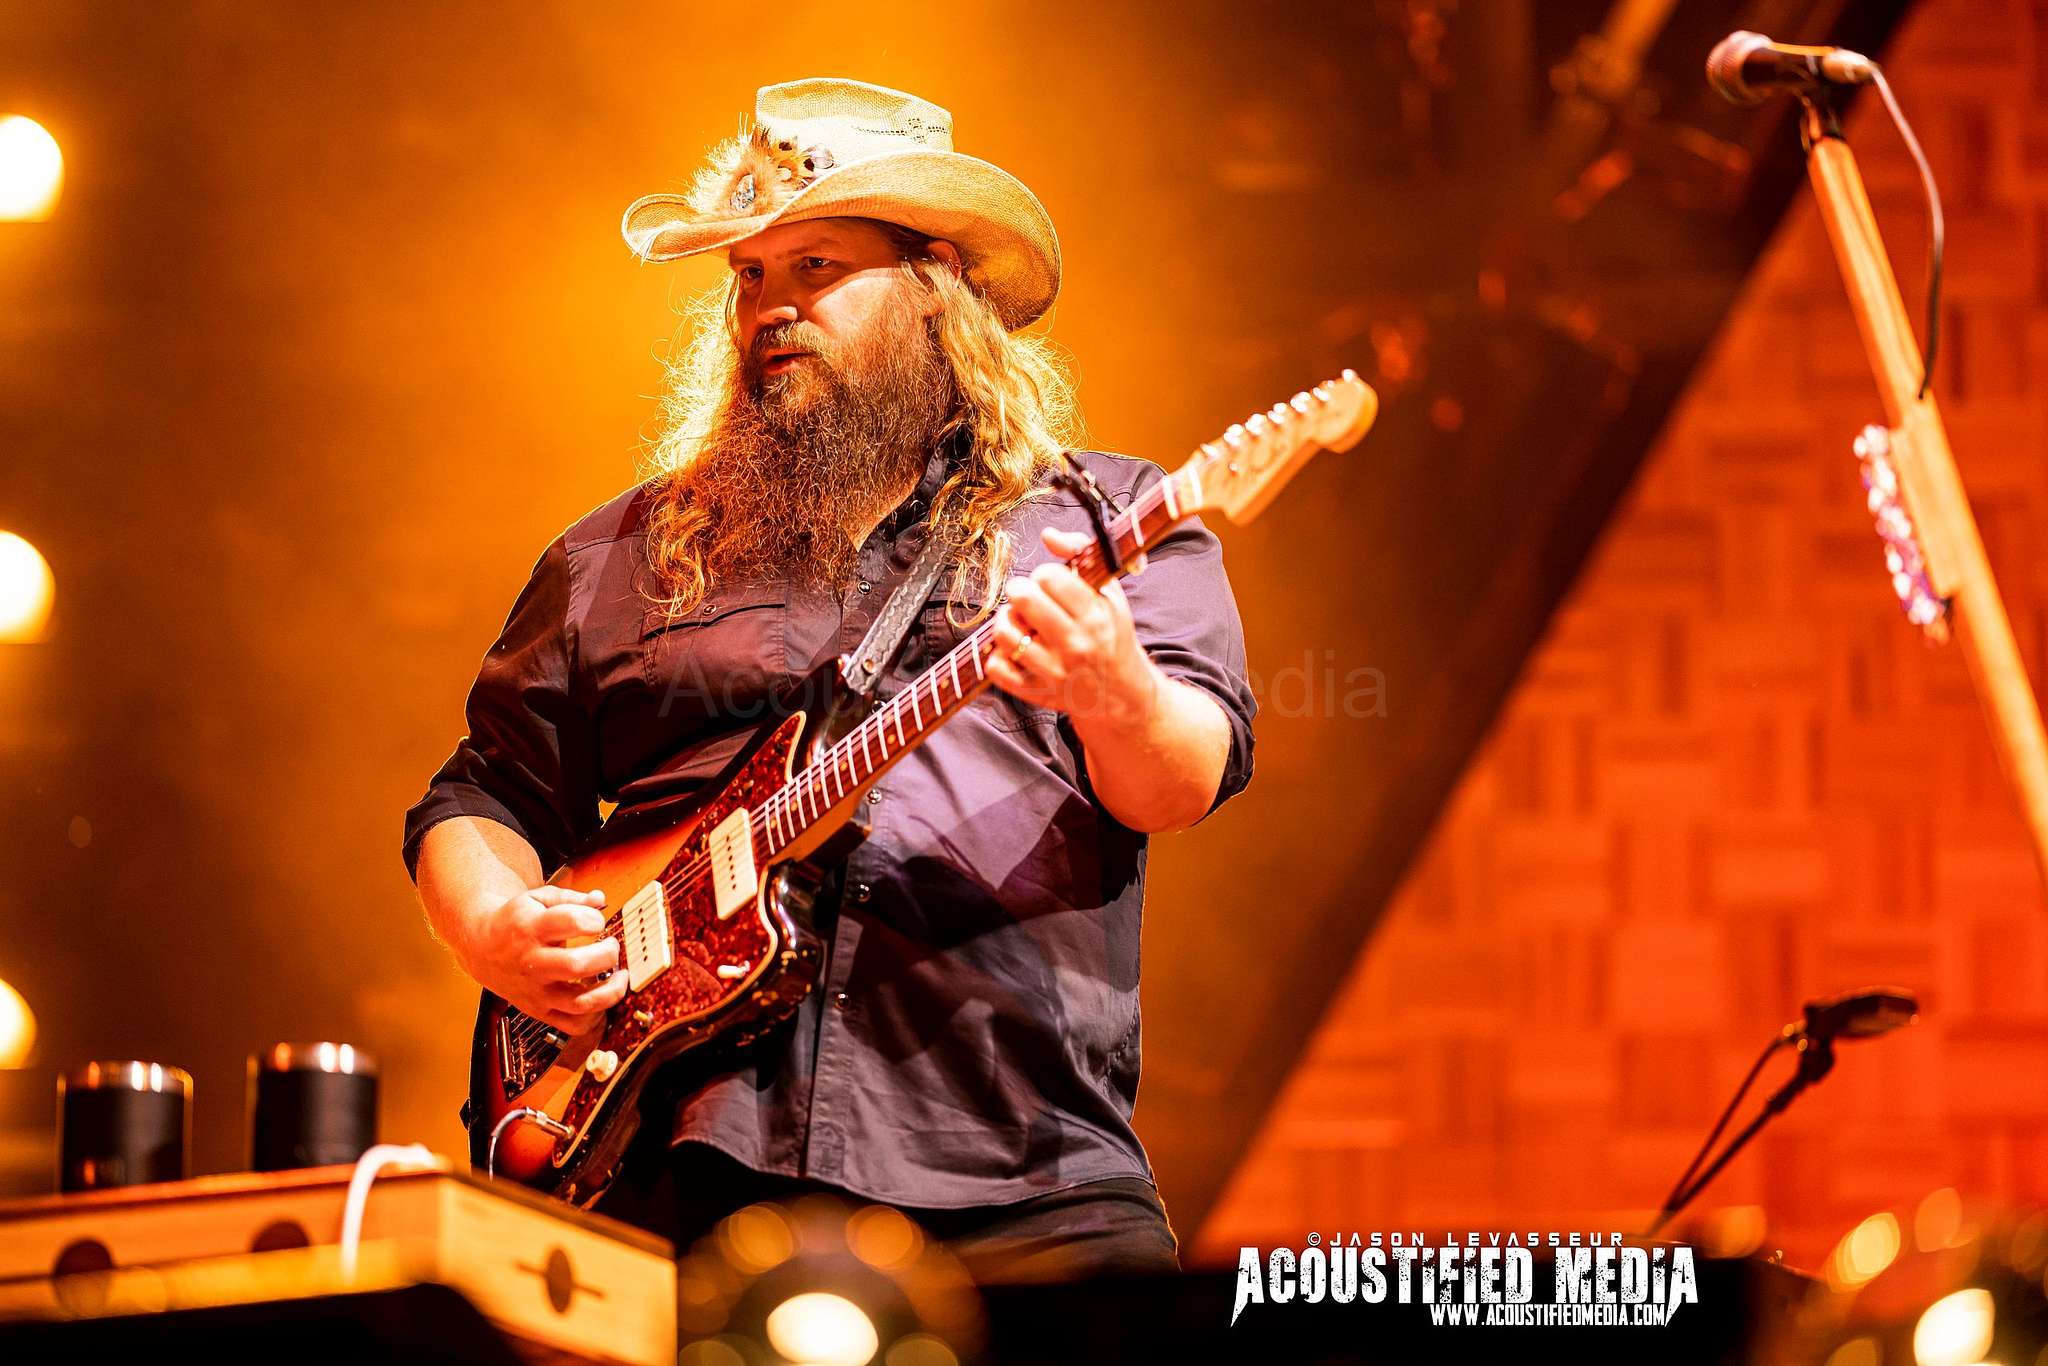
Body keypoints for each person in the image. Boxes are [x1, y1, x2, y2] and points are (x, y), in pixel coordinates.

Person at [402, 78, 1257, 1282]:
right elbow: (480, 794)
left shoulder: (1101, 522)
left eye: (816, 267)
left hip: (1018, 1167)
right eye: (750, 275)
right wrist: (495, 927)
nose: (773, 307)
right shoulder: (618, 555)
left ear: (934, 285)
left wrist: (1112, 686)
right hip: (675, 1168)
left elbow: (1178, 781)